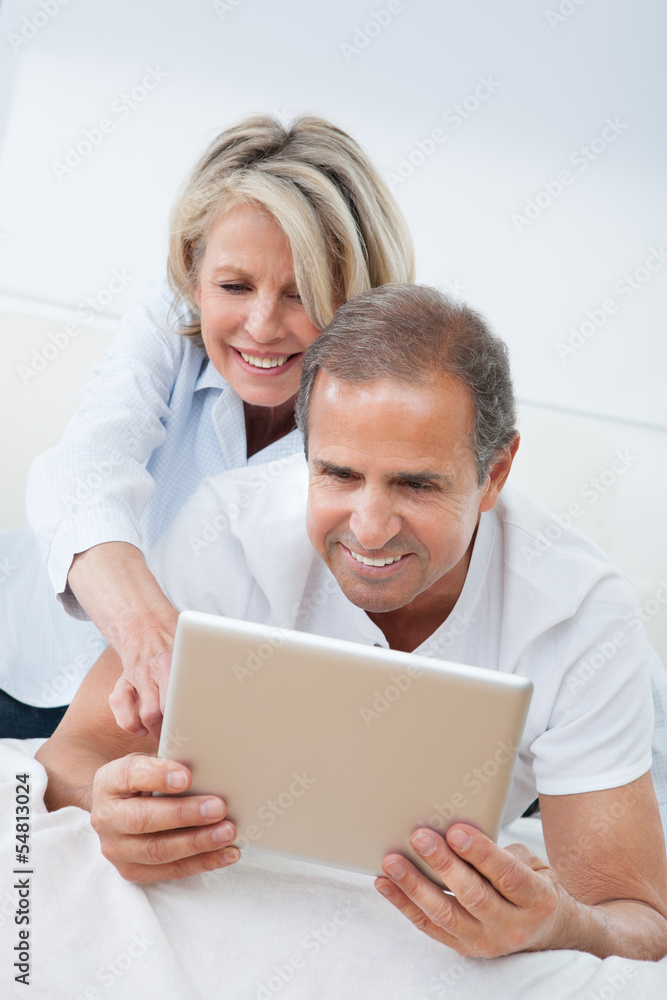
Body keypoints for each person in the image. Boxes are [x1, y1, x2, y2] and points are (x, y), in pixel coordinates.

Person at [36, 284, 667, 960]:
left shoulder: (578, 611)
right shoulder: (226, 532)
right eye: (337, 474)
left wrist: (558, 926)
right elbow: (70, 757)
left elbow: (638, 919)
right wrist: (107, 804)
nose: (369, 530)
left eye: (415, 484)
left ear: (495, 473)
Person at [3, 113, 413, 739]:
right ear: (194, 273)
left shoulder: (392, 409)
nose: (263, 326)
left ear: (359, 297)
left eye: (301, 293)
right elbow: (82, 470)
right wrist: (149, 638)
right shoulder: (168, 320)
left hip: (189, 718)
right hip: (29, 666)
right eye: (234, 286)